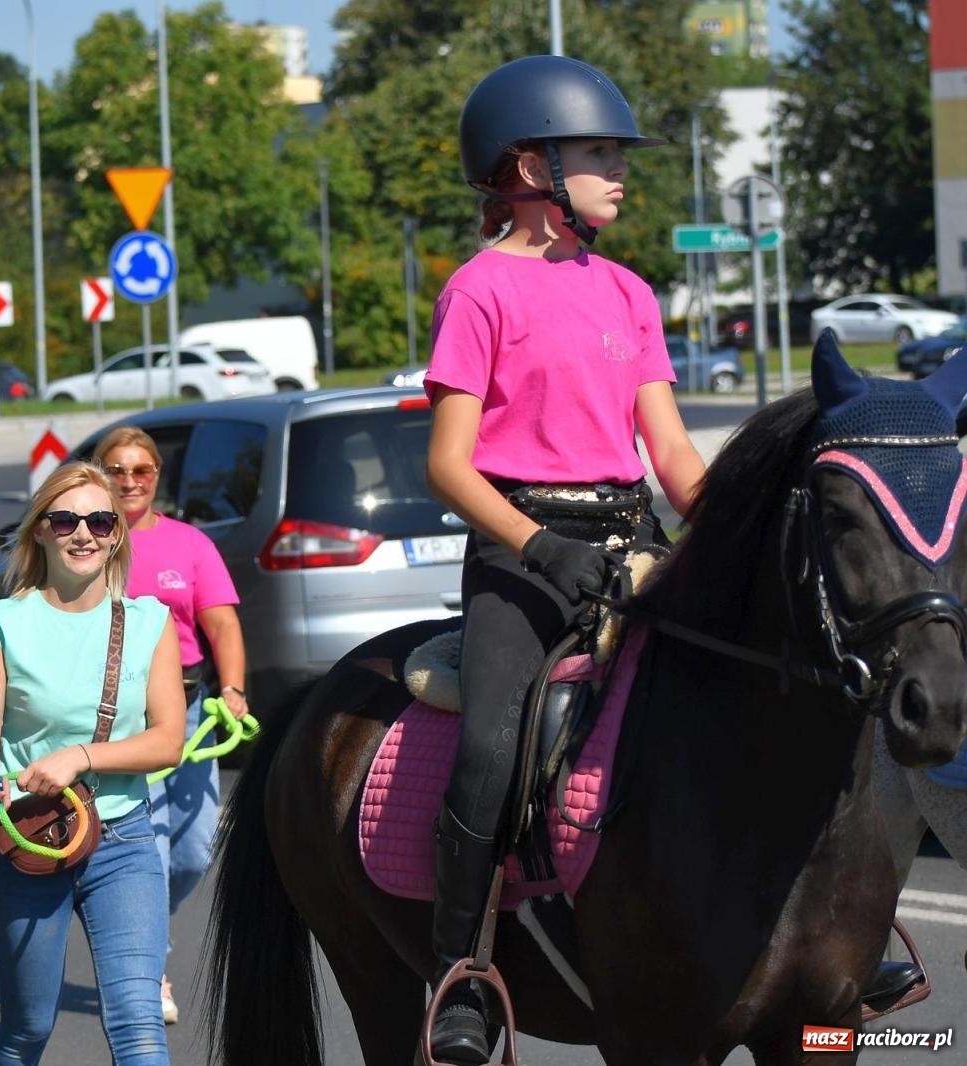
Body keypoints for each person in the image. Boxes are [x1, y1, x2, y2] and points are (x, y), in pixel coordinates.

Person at [421, 56, 707, 1063]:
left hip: (631, 535)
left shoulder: (630, 292)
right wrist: (541, 547)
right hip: (522, 550)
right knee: (493, 746)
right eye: (598, 153)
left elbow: (669, 452)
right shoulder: (478, 290)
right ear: (529, 164)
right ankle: (457, 970)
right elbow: (448, 465)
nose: (619, 173)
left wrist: (726, 525)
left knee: (758, 683)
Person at [0, 462, 186, 1065]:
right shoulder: (1, 625)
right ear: (39, 531)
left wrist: (80, 756)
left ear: (116, 535)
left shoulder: (149, 622)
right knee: (29, 1025)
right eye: (65, 520)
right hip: (29, 841)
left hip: (125, 841)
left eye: (100, 520)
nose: (83, 534)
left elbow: (168, 741)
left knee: (139, 1027)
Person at [95, 426, 248, 1025]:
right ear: (99, 474)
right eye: (117, 469)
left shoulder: (189, 544)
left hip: (187, 709)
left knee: (194, 849)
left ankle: (139, 929)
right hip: (117, 715)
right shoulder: (86, 541)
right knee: (149, 849)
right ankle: (146, 964)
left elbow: (223, 625)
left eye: (142, 470)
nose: (130, 481)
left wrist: (232, 688)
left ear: (157, 475)